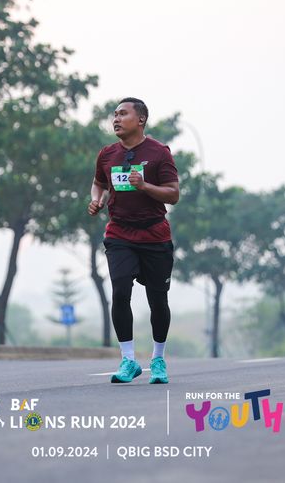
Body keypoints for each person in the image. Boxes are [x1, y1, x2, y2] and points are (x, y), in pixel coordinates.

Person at [88, 97, 180, 384]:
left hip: (154, 236)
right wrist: (97, 200)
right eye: (114, 114)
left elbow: (173, 194)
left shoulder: (159, 153)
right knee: (120, 292)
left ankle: (158, 359)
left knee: (158, 300)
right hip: (119, 234)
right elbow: (99, 183)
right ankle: (128, 360)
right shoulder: (107, 154)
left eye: (123, 114)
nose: (116, 119)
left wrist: (145, 185)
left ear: (140, 120)